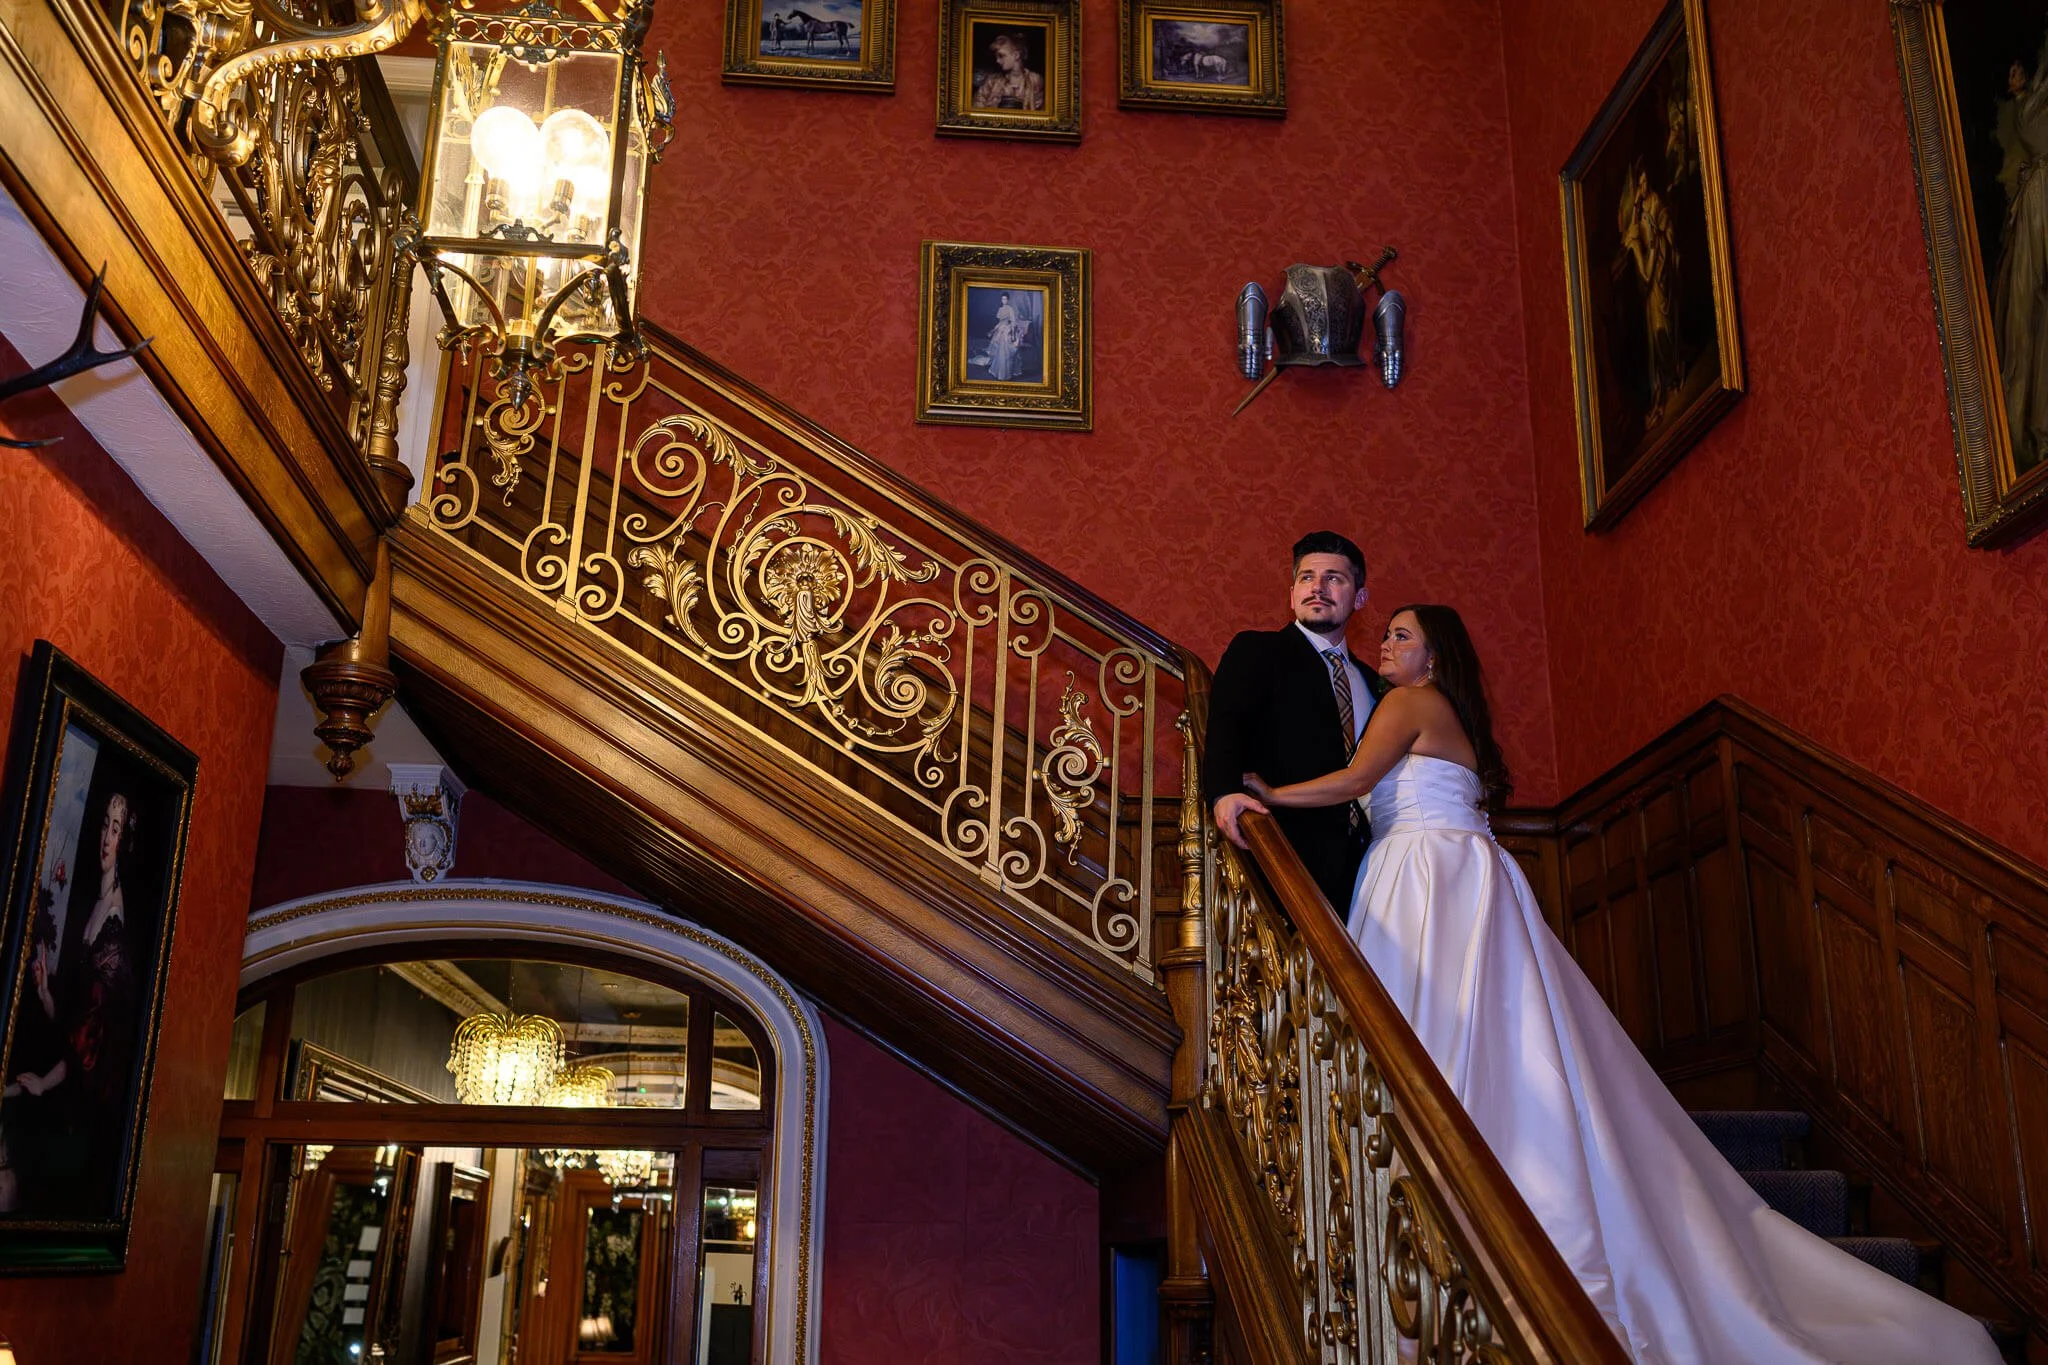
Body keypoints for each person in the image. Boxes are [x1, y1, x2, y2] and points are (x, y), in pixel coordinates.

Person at [1240, 605, 2004, 1364]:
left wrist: (1264, 793)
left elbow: (1354, 780)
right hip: (1457, 878)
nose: (1388, 641)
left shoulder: (1408, 701)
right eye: (1390, 632)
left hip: (1427, 884)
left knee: (1435, 1039)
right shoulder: (1440, 710)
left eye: (1403, 633)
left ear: (1434, 656)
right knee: (1487, 1042)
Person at [1203, 532, 1381, 908]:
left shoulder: (1375, 681)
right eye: (1306, 577)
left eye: (1334, 578)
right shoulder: (1257, 651)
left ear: (1359, 597)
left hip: (1370, 867)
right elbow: (1224, 726)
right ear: (1292, 594)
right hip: (1282, 851)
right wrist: (1224, 791)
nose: (1318, 588)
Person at [1994, 36, 2048, 474]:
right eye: (2009, 73)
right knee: (2026, 311)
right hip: (2033, 203)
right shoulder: (2020, 113)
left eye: (2018, 70)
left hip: (2040, 200)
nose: (2015, 78)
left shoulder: (2035, 106)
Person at [974, 32, 1044, 111]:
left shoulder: (1034, 80)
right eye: (996, 57)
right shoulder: (992, 81)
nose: (997, 60)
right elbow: (978, 107)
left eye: (1001, 56)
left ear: (1016, 55)